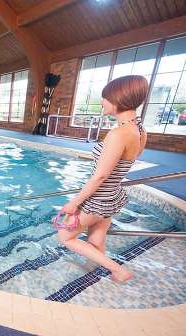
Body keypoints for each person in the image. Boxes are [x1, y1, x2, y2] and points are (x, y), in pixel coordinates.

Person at [56, 75, 148, 283]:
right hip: (113, 195)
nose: (102, 102)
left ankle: (118, 271)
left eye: (105, 98)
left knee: (65, 237)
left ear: (118, 100)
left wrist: (74, 203)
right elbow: (125, 163)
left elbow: (101, 175)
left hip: (98, 198)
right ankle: (92, 274)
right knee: (96, 238)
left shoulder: (119, 134)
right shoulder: (140, 130)